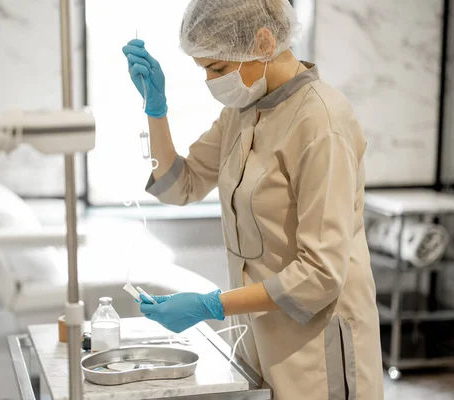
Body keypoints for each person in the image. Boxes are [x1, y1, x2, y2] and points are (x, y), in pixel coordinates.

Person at [122, 0, 384, 399]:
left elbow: (321, 274)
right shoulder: (243, 109)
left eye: (218, 69)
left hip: (318, 345)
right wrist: (155, 110)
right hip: (258, 335)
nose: (210, 82)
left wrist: (212, 305)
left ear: (263, 42)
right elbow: (182, 185)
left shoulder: (322, 124)